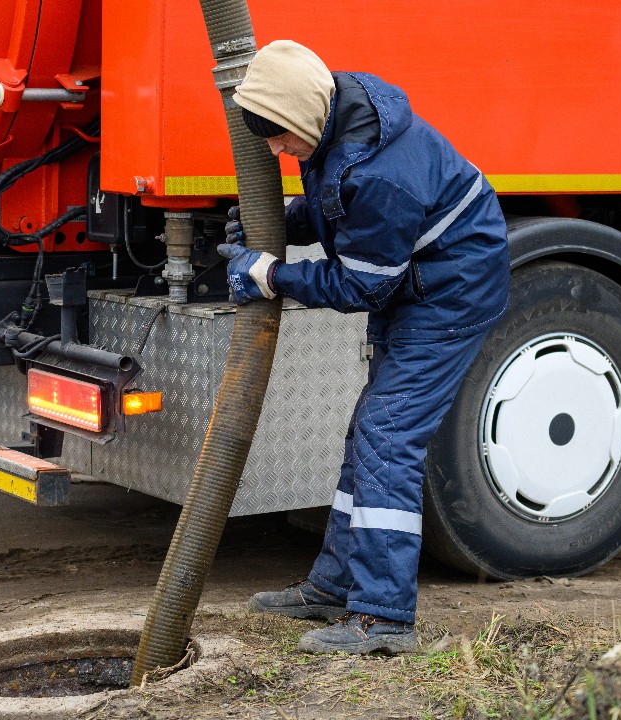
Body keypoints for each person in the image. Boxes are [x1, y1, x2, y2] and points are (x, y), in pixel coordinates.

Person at [217, 40, 510, 654]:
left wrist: (271, 274)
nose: (276, 152)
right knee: (369, 436)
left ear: (304, 119)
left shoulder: (384, 173)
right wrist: (282, 225)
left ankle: (383, 619)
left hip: (449, 295)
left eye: (280, 140)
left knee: (386, 438)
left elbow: (361, 284)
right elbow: (337, 207)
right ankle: (335, 587)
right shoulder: (333, 117)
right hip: (418, 282)